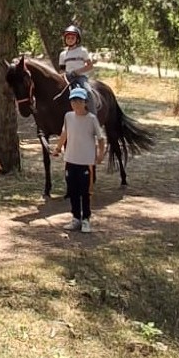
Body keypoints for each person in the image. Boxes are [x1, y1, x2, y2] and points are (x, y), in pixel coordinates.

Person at [52, 87, 106, 233]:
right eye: (73, 101)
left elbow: (100, 139)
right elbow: (65, 133)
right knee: (73, 191)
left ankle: (86, 219)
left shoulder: (91, 119)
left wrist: (100, 154)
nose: (76, 104)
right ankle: (75, 218)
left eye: (79, 101)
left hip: (86, 162)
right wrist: (57, 148)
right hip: (70, 160)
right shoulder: (68, 117)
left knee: (85, 192)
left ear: (85, 102)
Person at [58, 25, 97, 115]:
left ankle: (93, 116)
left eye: (72, 38)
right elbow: (62, 70)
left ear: (77, 39)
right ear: (65, 39)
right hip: (67, 78)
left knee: (88, 91)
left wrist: (77, 72)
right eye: (68, 38)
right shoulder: (63, 54)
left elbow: (90, 66)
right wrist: (63, 75)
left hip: (80, 78)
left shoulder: (82, 51)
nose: (70, 39)